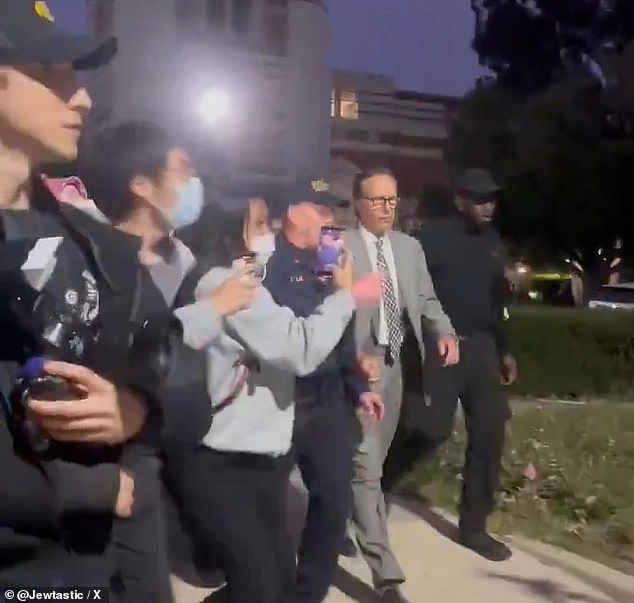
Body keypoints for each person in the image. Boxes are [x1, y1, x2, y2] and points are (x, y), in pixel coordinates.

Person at [0, 0, 173, 588]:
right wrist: (90, 488)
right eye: (54, 72)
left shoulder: (96, 243)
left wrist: (135, 407)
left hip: (111, 567)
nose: (83, 98)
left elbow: (168, 356)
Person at [165, 202, 382, 603]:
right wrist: (347, 295)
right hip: (223, 462)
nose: (271, 231)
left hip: (260, 457)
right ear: (231, 229)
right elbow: (299, 347)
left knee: (274, 586)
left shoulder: (247, 279)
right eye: (262, 224)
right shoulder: (226, 283)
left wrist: (353, 372)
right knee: (259, 588)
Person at [78, 121, 257, 601]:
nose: (192, 184)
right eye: (182, 171)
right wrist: (212, 309)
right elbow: (132, 358)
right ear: (140, 184)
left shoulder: (184, 260)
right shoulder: (88, 260)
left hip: (172, 450)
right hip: (108, 463)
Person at [383, 168, 518, 562]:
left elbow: (497, 305)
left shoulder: (494, 243)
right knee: (429, 430)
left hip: (481, 348)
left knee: (490, 436)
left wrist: (504, 350)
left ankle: (474, 527)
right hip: (438, 345)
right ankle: (375, 484)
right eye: (480, 199)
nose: (488, 205)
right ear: (461, 200)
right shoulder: (430, 239)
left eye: (492, 198)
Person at [263, 178, 384, 603]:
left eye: (333, 211)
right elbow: (287, 337)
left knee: (334, 498)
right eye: (320, 210)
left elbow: (342, 336)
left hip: (327, 399)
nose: (330, 220)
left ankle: (308, 592)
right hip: (279, 400)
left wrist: (357, 386)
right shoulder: (266, 262)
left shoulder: (332, 264)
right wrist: (341, 293)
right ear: (293, 211)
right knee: (265, 504)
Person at [344, 167, 459, 603]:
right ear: (358, 203)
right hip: (360, 369)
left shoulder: (409, 249)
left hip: (399, 368)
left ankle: (339, 517)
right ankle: (386, 575)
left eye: (393, 200)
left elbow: (427, 300)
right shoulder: (341, 248)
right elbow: (330, 308)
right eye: (378, 201)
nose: (388, 209)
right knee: (365, 465)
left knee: (371, 460)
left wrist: (443, 332)